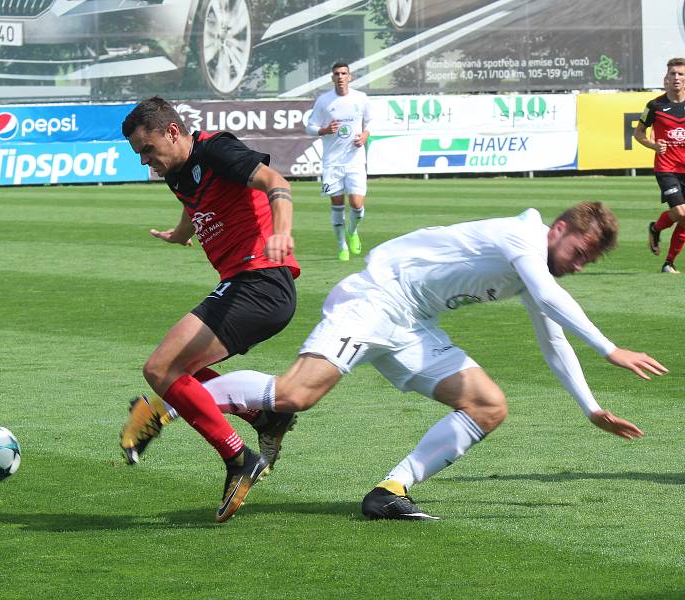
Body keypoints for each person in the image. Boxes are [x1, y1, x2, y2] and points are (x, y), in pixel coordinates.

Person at [196, 202, 667, 520]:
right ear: (559, 229)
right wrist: (610, 349)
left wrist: (590, 408)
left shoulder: (532, 268)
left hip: (413, 324)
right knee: (296, 394)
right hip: (379, 297)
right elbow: (550, 295)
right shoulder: (522, 237)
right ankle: (169, 403)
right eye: (579, 253)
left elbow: (554, 340)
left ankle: (390, 491)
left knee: (488, 405)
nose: (578, 265)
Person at [119, 96, 301, 523]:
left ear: (172, 132)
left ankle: (239, 459)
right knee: (176, 372)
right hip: (243, 285)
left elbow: (278, 182)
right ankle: (263, 417)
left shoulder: (216, 148)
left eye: (148, 149)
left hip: (261, 283)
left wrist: (283, 234)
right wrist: (181, 234)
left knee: (161, 370)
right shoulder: (177, 172)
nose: (147, 162)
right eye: (139, 155)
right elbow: (193, 202)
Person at [306, 62, 372, 261]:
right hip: (332, 162)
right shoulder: (324, 101)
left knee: (357, 203)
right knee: (337, 203)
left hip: (355, 160)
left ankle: (352, 231)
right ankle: (341, 244)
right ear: (332, 78)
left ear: (350, 77)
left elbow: (371, 121)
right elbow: (310, 126)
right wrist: (324, 130)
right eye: (337, 74)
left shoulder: (361, 98)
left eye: (344, 73)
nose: (340, 77)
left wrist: (365, 135)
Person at [634, 57, 685, 274]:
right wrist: (653, 146)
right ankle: (656, 229)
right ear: (666, 78)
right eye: (673, 74)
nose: (676, 78)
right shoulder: (655, 105)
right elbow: (638, 133)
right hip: (667, 168)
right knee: (683, 214)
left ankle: (668, 262)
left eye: (681, 74)